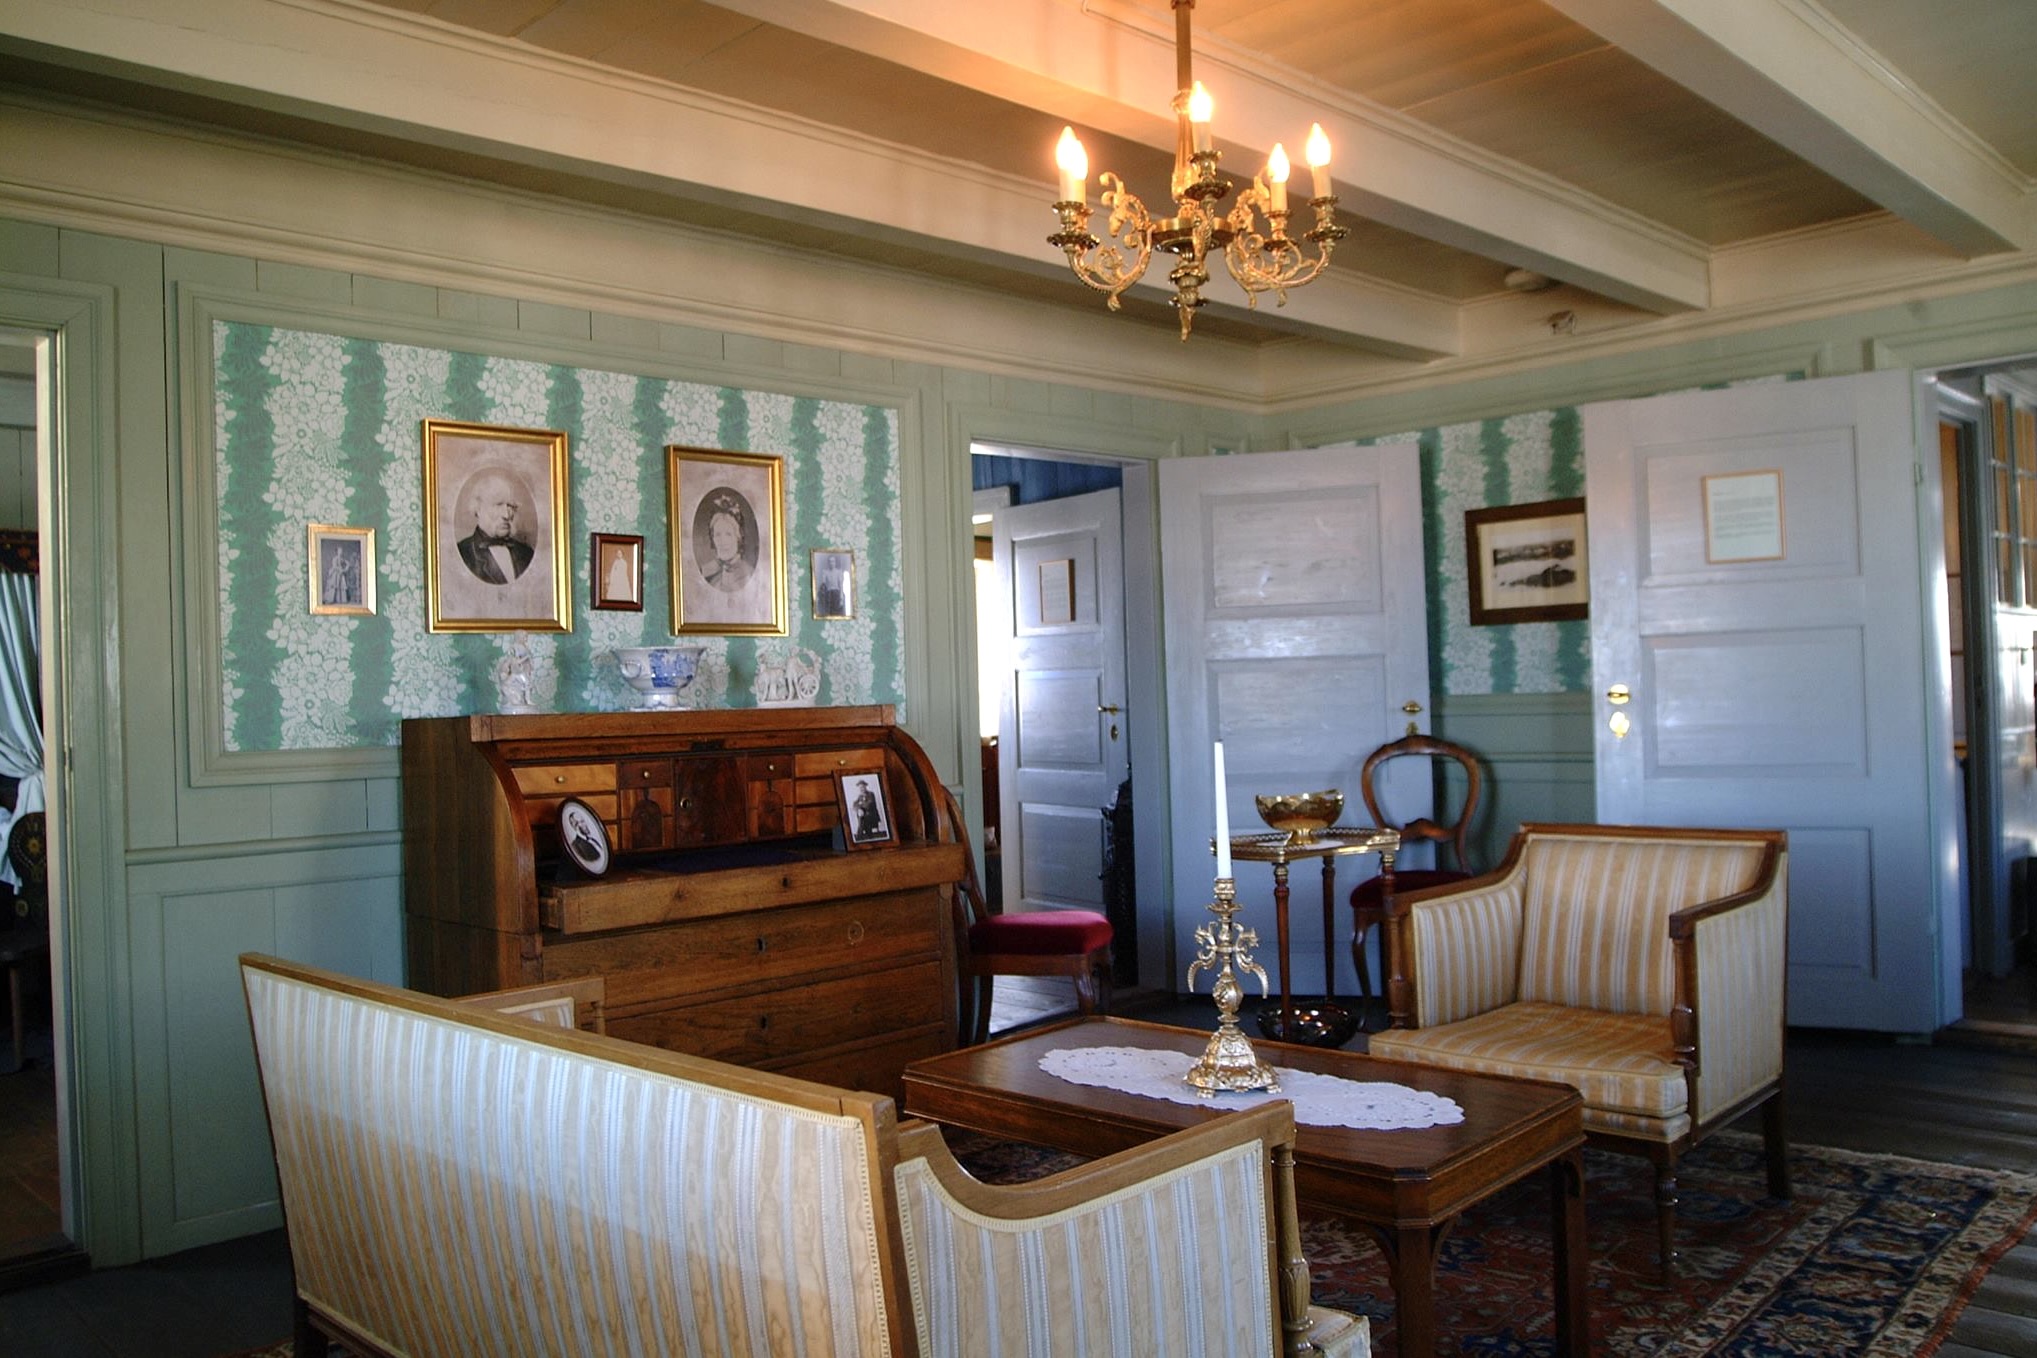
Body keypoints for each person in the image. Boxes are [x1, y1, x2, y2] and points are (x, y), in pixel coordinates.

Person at [457, 468, 535, 584]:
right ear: (478, 509)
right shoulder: (462, 553)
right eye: (498, 505)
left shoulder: (527, 553)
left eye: (510, 506)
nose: (506, 515)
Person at [697, 489, 753, 593]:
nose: (722, 541)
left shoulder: (748, 575)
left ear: (738, 538)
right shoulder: (709, 575)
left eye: (728, 534)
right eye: (717, 535)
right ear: (712, 539)